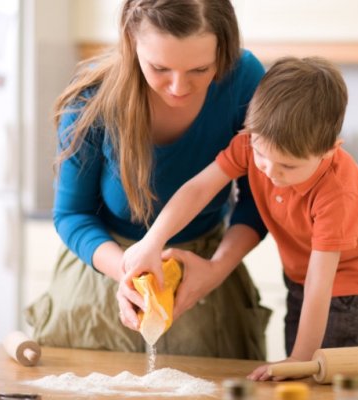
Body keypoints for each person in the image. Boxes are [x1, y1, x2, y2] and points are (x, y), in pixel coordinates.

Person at [25, 0, 271, 360]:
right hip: (103, 274)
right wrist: (126, 270)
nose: (178, 87)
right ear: (131, 40)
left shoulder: (244, 79)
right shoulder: (91, 98)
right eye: (159, 68)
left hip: (202, 275)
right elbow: (72, 215)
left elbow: (258, 200)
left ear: (226, 48)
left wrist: (216, 270)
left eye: (201, 69)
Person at [122, 56, 358, 379]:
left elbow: (321, 282)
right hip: (300, 276)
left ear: (329, 150)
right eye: (261, 155)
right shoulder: (251, 143)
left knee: (318, 373)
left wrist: (300, 359)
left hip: (345, 285)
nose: (271, 172)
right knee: (299, 370)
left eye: (288, 166)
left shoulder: (338, 191)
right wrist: (153, 240)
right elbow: (198, 189)